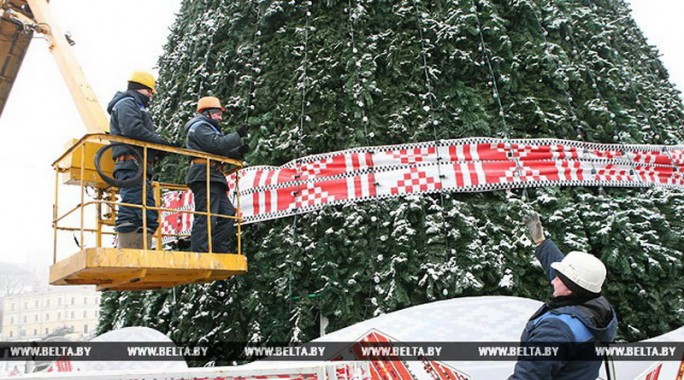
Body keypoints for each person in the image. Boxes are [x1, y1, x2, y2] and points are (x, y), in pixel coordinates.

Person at [510, 212, 618, 379]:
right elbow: (569, 276)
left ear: (570, 288)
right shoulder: (596, 308)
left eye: (558, 279)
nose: (553, 281)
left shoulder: (555, 330)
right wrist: (542, 243)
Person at [107, 71, 173, 247]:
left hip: (140, 165)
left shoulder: (135, 106)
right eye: (150, 91)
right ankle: (130, 250)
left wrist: (157, 149)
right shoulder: (126, 104)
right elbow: (132, 129)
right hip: (130, 164)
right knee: (131, 210)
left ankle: (142, 246)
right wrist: (159, 143)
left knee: (148, 213)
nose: (151, 96)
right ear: (140, 88)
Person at [184, 96, 249, 253]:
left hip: (213, 176)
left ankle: (219, 251)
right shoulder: (199, 127)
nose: (220, 118)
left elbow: (216, 151)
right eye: (218, 114)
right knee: (206, 215)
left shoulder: (207, 128)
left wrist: (237, 152)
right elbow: (217, 145)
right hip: (204, 175)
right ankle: (200, 252)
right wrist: (237, 135)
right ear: (208, 113)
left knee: (227, 214)